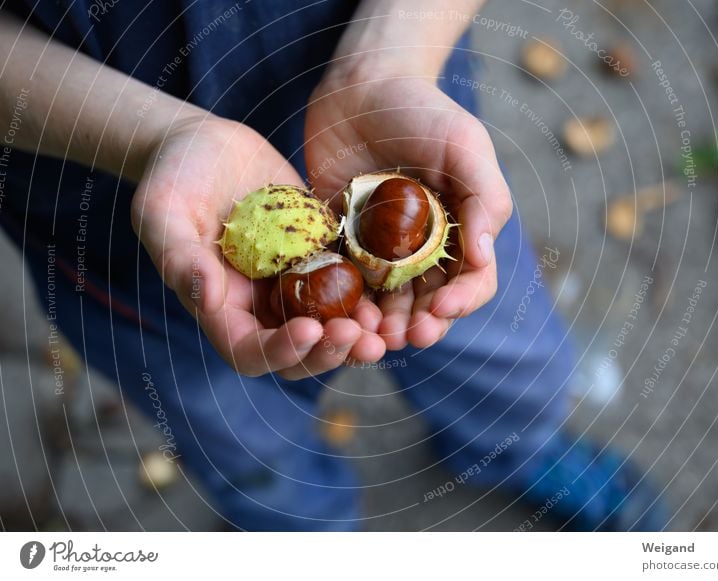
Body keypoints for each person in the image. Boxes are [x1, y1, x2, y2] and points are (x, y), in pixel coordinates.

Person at [0, 0, 666, 530]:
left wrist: (393, 57)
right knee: (241, 439)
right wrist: (154, 138)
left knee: (510, 359)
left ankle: (515, 445)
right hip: (110, 211)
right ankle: (304, 528)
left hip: (395, 121)